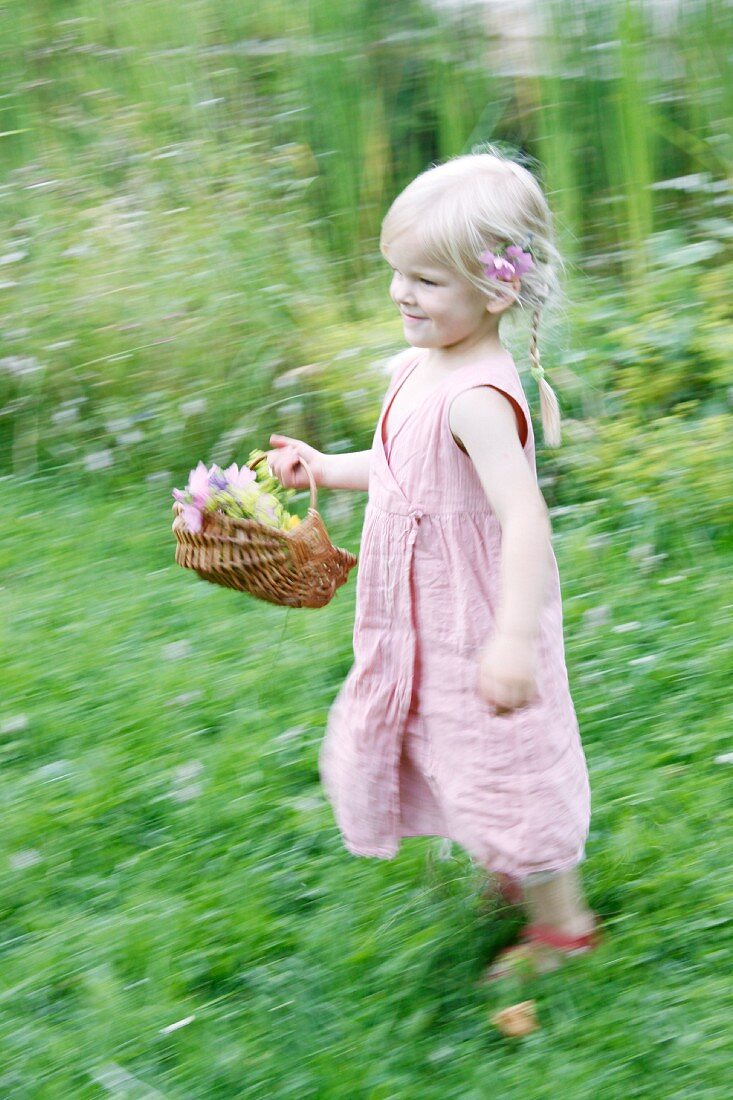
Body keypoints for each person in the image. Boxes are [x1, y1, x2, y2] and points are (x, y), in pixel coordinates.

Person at [267, 151, 599, 979]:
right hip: (420, 612)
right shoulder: (422, 367)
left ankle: (562, 925)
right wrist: (323, 466)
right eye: (397, 273)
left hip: (477, 613)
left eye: (424, 280)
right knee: (450, 742)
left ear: (494, 291)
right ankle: (506, 863)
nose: (400, 294)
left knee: (508, 756)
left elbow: (524, 519)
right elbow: (401, 466)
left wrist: (513, 638)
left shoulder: (478, 397)